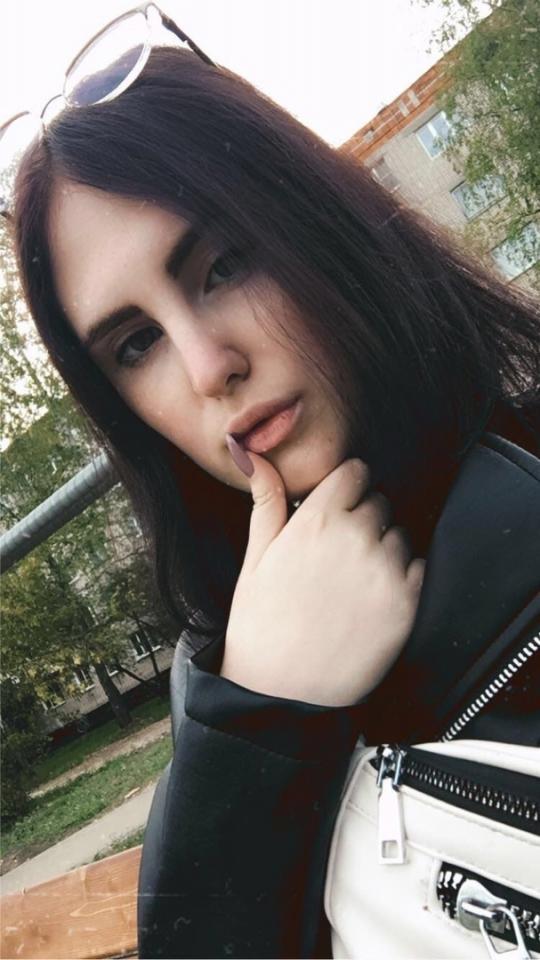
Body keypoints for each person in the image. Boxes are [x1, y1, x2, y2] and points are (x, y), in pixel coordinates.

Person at [5, 15, 539, 958]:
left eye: (224, 266)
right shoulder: (226, 668)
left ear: (315, 225)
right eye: (136, 344)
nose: (206, 366)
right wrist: (258, 716)